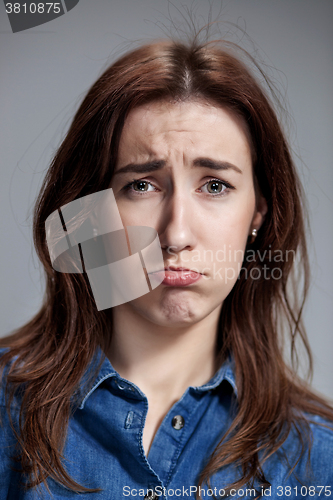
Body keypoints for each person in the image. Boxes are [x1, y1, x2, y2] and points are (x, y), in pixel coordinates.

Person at [0, 37, 332, 500]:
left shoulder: (319, 458)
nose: (176, 235)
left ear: (259, 213)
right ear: (90, 214)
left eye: (215, 185)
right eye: (141, 185)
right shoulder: (6, 416)